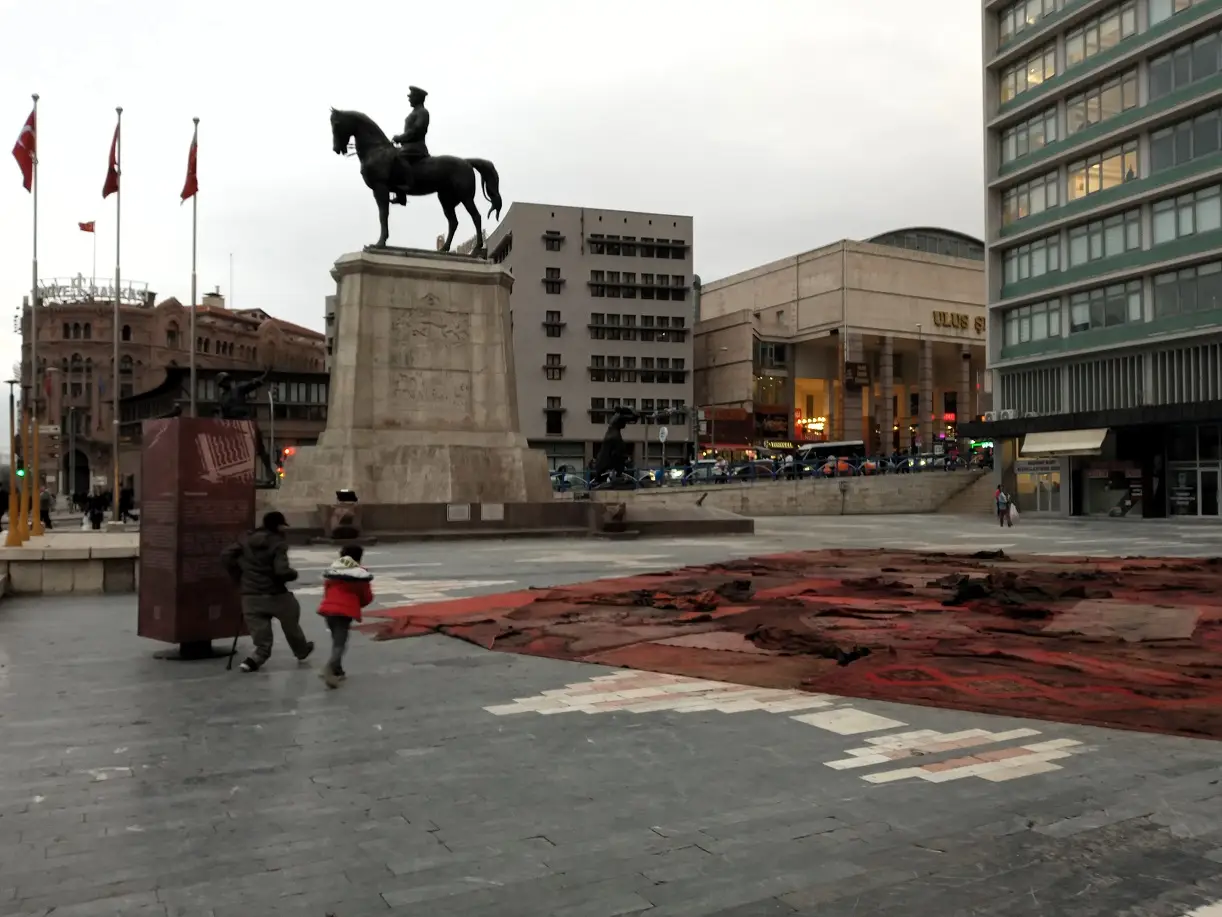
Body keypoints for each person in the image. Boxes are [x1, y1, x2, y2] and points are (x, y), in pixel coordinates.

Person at [221, 511, 314, 673]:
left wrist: (238, 575)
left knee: (261, 635)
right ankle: (301, 650)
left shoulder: (245, 539)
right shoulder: (278, 544)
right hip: (276, 594)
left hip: (251, 596)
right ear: (278, 526)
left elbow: (226, 555)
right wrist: (293, 574)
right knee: (291, 621)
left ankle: (255, 659)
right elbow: (282, 571)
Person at [316, 544, 374, 689]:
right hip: (344, 612)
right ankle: (329, 669)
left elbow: (326, 590)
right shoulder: (360, 574)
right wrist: (357, 603)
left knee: (336, 640)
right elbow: (366, 597)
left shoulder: (333, 571)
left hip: (328, 609)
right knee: (340, 644)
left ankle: (338, 670)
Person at [391, 85, 431, 203]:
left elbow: (417, 131)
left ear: (418, 98)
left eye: (411, 97)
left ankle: (407, 186)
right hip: (408, 146)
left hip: (416, 147)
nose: (409, 99)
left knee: (397, 158)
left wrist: (400, 138)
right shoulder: (415, 112)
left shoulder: (422, 112)